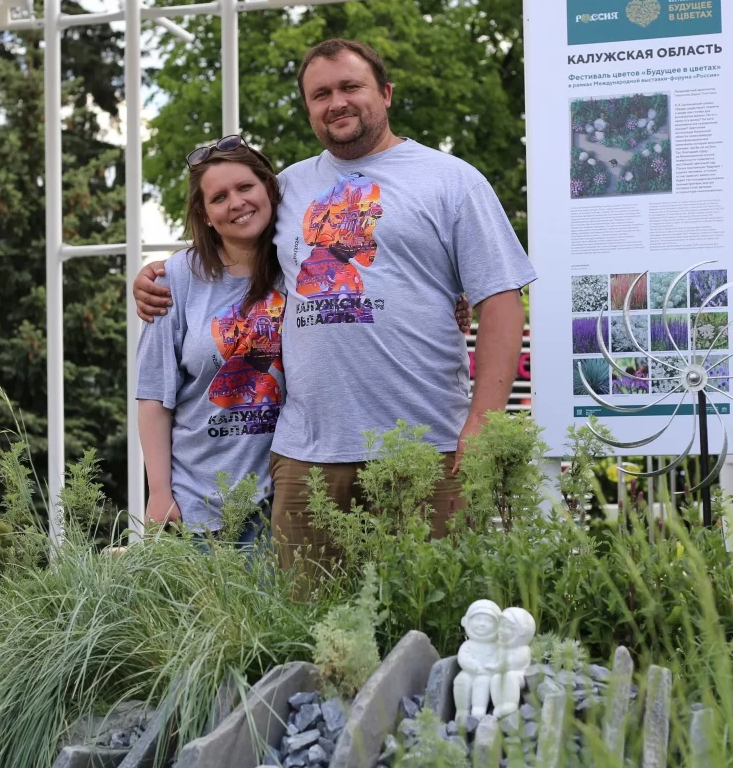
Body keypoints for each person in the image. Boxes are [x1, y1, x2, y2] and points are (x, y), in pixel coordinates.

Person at [134, 39, 535, 572]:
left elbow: (501, 299)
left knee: (429, 606)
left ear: (385, 93)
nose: (336, 103)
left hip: (425, 445)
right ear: (308, 109)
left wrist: (482, 421)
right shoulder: (289, 186)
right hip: (307, 458)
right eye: (320, 94)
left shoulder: (452, 180)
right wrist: (160, 274)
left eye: (350, 87)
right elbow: (235, 241)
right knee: (303, 616)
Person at [135, 136, 286, 544]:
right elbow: (154, 393)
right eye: (219, 197)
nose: (236, 203)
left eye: (245, 187)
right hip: (197, 508)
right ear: (205, 215)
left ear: (268, 188)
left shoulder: (297, 266)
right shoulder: (175, 279)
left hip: (281, 503)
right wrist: (159, 493)